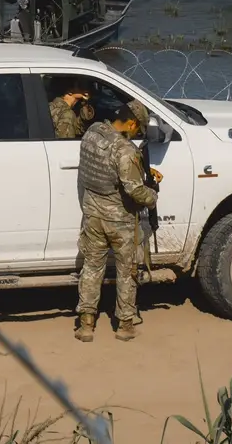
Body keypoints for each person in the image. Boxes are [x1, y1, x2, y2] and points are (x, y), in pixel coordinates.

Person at [74, 106, 162, 342]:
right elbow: (134, 190)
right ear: (131, 123)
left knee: (92, 268)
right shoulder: (124, 150)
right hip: (120, 221)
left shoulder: (92, 133)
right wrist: (152, 196)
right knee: (126, 272)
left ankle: (86, 324)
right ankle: (124, 324)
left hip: (92, 215)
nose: (135, 135)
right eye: (137, 130)